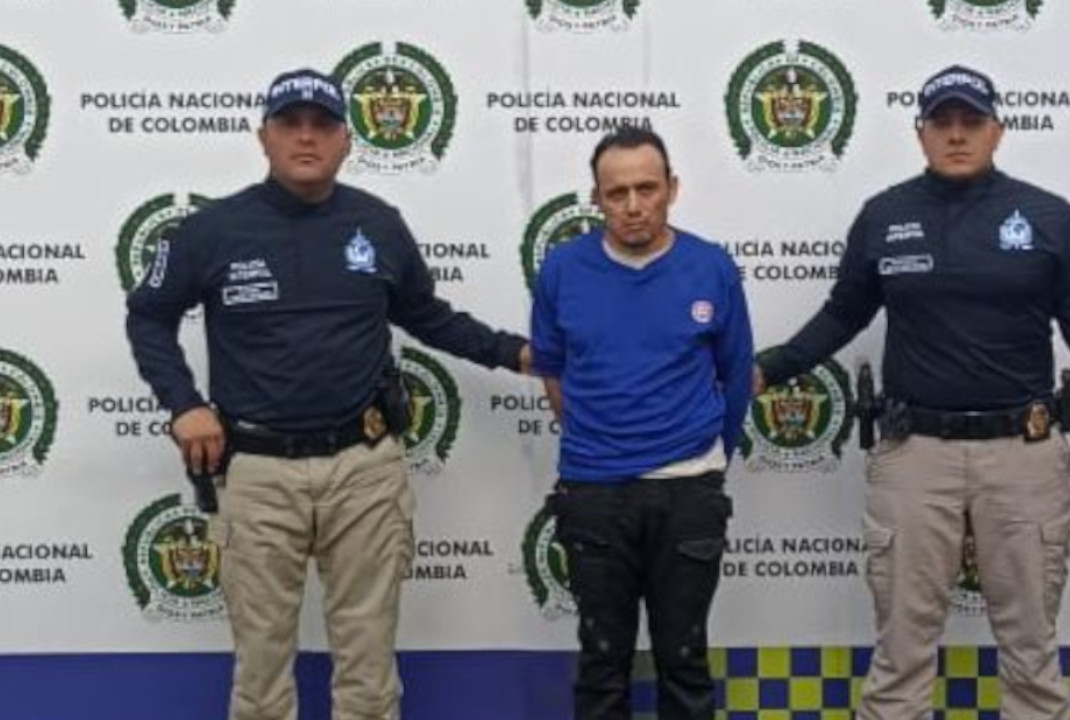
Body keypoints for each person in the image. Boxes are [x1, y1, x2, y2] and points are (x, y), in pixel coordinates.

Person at [125, 68, 529, 720]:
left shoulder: (378, 224)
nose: (306, 137)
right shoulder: (211, 231)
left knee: (369, 670)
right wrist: (184, 404)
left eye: (322, 125)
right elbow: (149, 315)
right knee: (260, 677)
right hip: (257, 473)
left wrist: (517, 353)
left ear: (346, 140)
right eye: (290, 124)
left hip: (364, 470)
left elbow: (426, 315)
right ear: (264, 137)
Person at [755, 65, 1070, 720]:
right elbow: (843, 315)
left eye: (972, 122)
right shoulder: (885, 216)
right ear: (920, 133)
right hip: (914, 455)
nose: (957, 135)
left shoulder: (1051, 219)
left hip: (1023, 455)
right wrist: (767, 369)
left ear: (998, 131)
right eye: (943, 123)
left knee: (1032, 655)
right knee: (900, 655)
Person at [531, 126, 754, 720]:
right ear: (596, 199)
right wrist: (600, 447)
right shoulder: (562, 270)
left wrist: (703, 464)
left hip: (689, 491)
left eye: (647, 189)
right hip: (594, 492)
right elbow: (554, 372)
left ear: (672, 189)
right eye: (617, 192)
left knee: (684, 660)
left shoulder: (711, 267)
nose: (633, 205)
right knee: (602, 666)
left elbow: (736, 377)